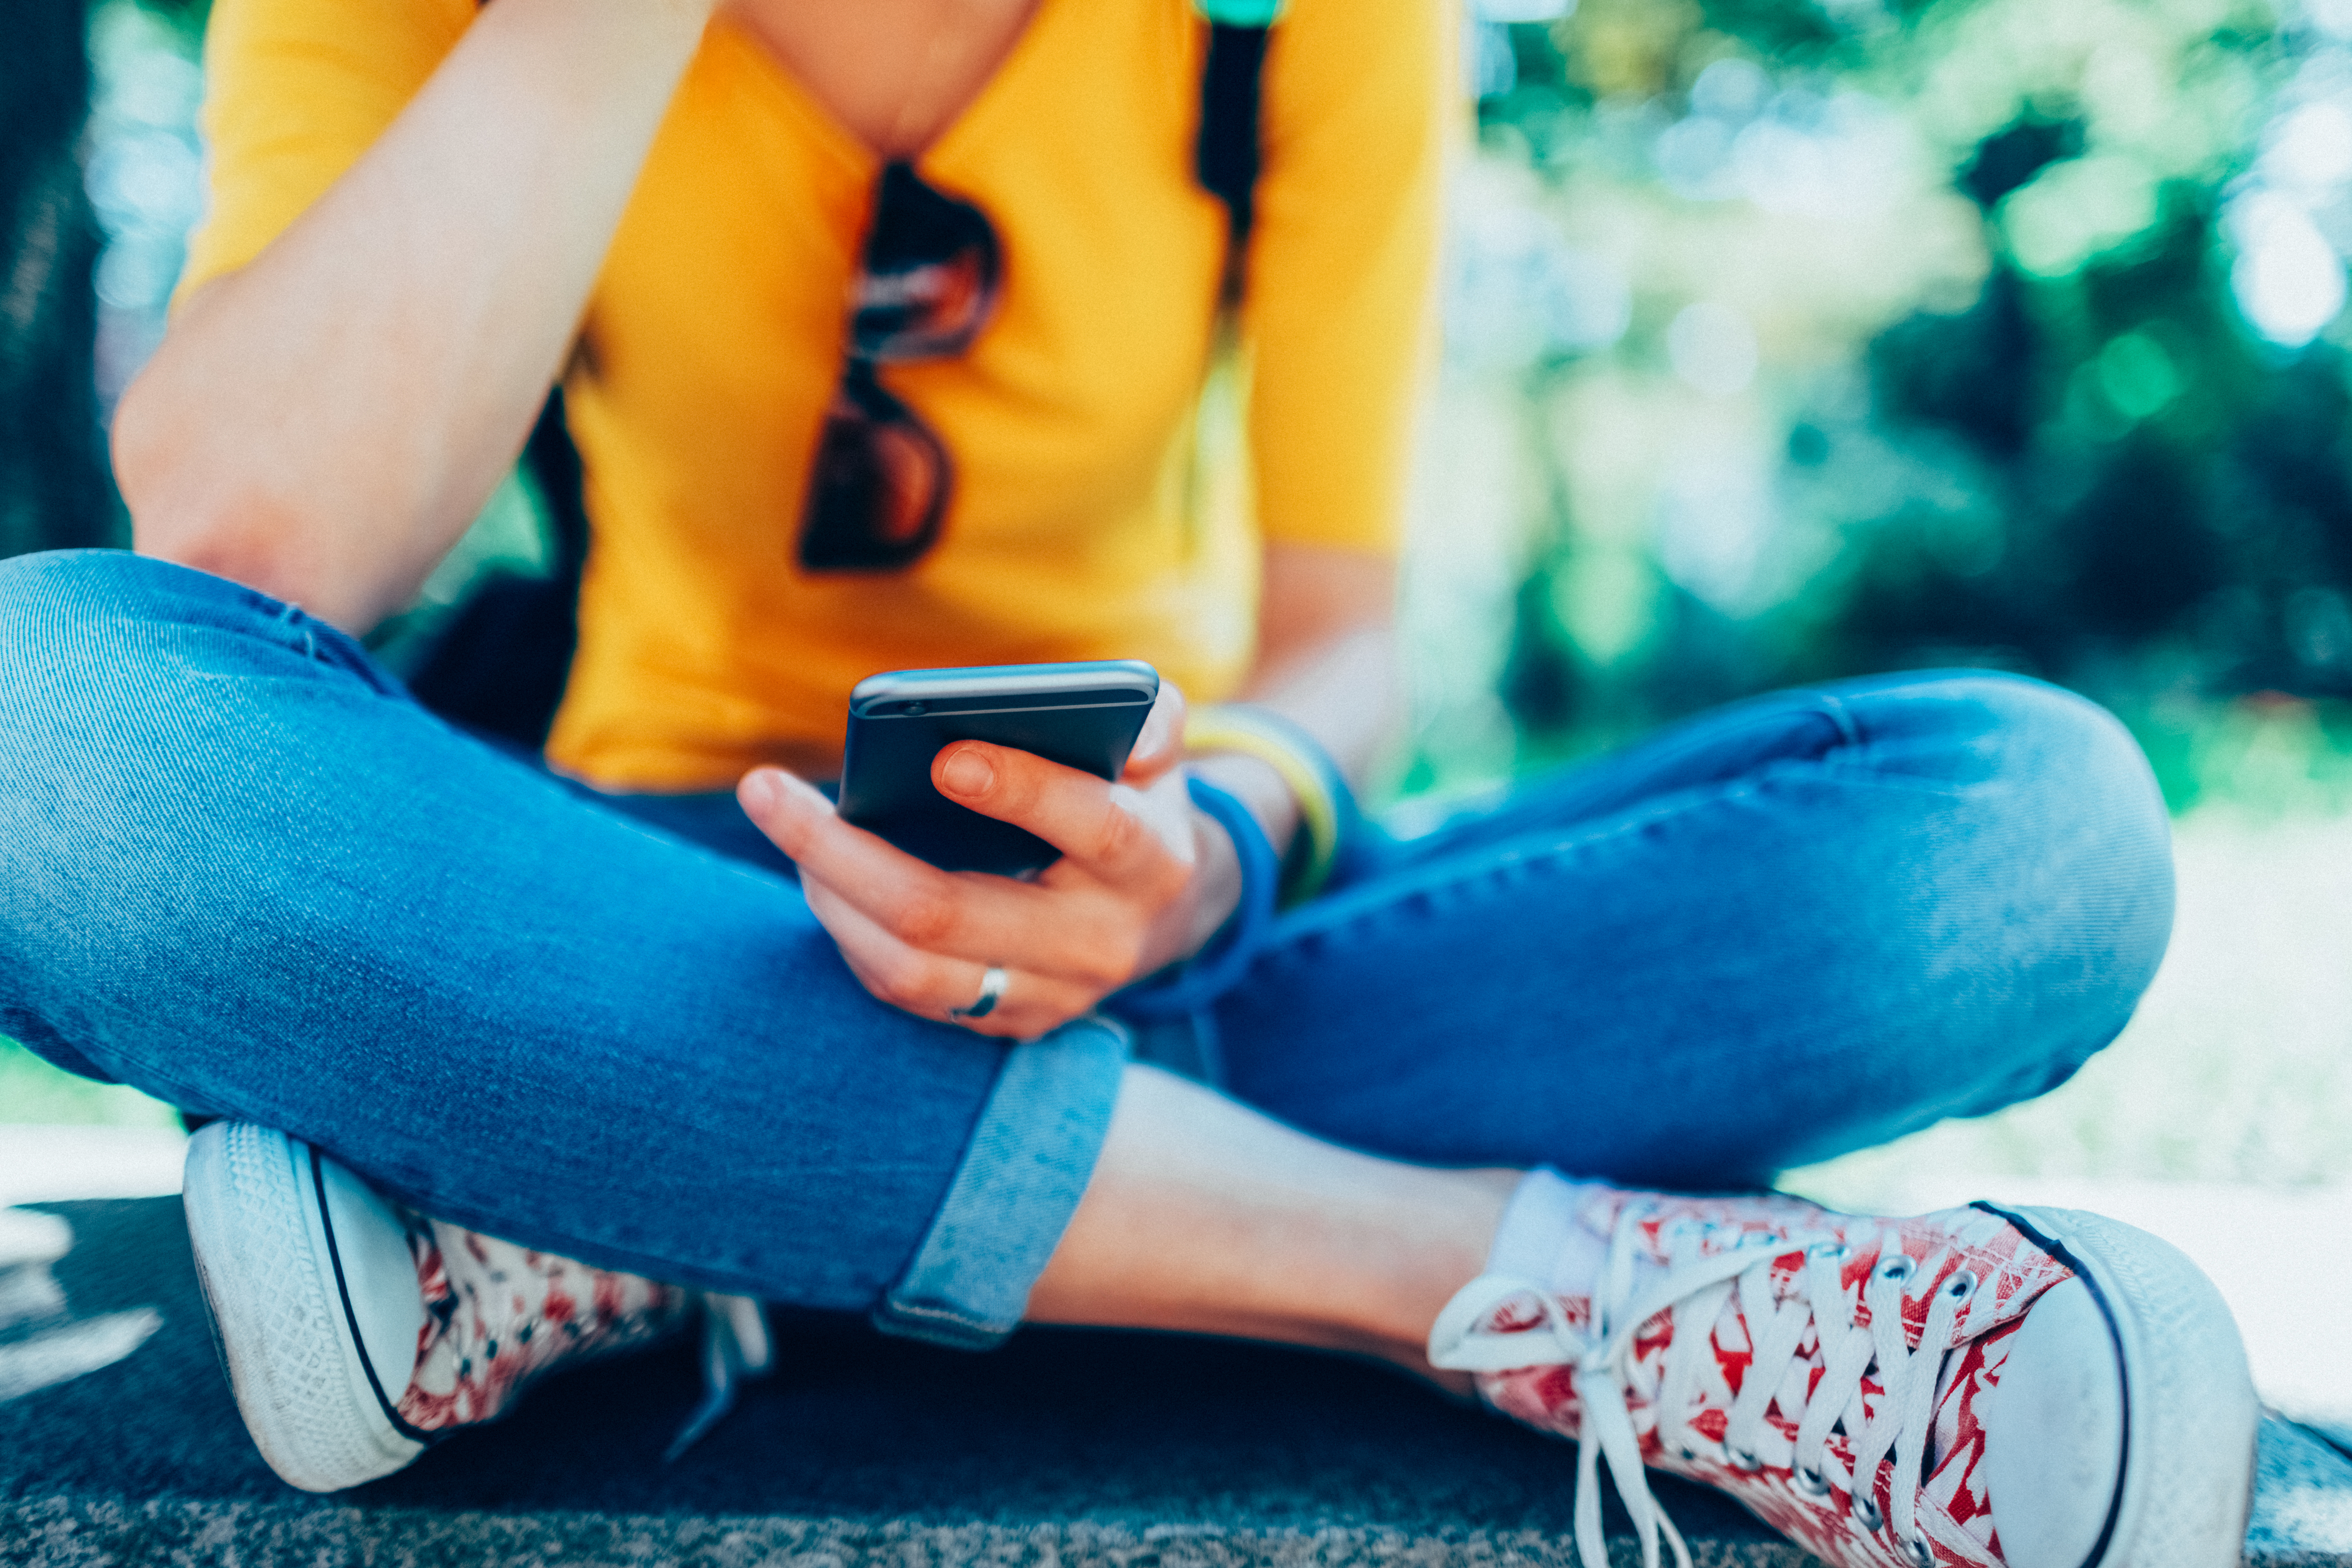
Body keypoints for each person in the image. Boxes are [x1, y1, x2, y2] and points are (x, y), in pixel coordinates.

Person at [0, 0, 2258, 1563]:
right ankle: (1552, 1285)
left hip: (1143, 901)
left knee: (2025, 837)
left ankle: (619, 1197)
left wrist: (1209, 860)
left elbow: (1343, 638)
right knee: (50, 720)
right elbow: (247, 546)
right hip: (626, 881)